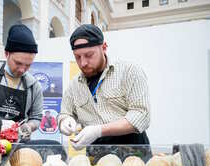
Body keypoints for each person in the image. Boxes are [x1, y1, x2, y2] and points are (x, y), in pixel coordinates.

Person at [57, 24, 151, 153]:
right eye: (77, 57)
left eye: (89, 55)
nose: (83, 63)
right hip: (97, 154)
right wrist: (64, 121)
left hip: (133, 149)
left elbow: (142, 115)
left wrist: (98, 130)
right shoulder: (74, 86)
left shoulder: (129, 71)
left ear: (104, 47)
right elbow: (65, 113)